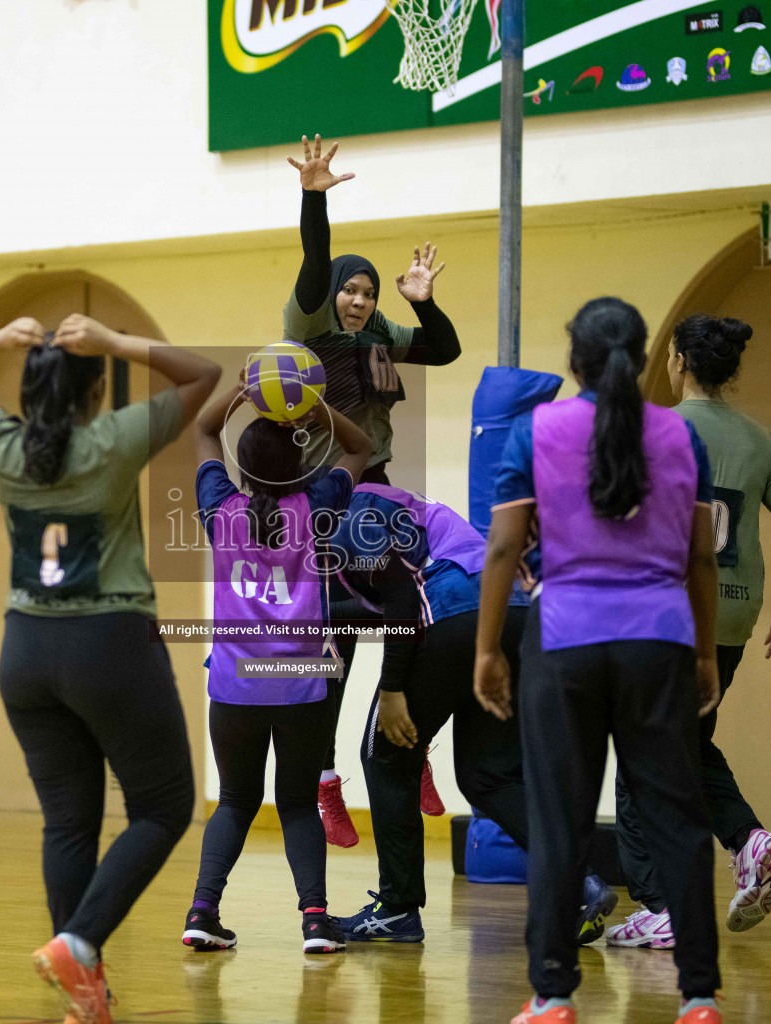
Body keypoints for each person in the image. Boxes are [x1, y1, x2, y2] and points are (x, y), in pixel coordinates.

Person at [0, 314, 220, 1024]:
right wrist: (118, 343)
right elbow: (204, 376)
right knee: (161, 808)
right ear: (95, 392)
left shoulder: (2, 445)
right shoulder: (111, 440)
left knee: (68, 824)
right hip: (109, 643)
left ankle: (84, 987)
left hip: (25, 650)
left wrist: (1, 340)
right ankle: (80, 941)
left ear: (29, 395)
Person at [474, 298, 726, 1024]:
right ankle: (700, 996)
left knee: (560, 822)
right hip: (660, 642)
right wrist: (705, 652)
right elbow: (701, 556)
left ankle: (553, 995)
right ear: (646, 357)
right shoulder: (682, 437)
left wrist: (489, 650)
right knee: (679, 819)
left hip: (564, 642)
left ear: (573, 360)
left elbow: (500, 550)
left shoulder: (534, 432)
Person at [325, 484, 618, 945]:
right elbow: (370, 609)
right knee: (489, 776)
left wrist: (393, 689)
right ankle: (583, 884)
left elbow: (402, 601)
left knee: (383, 754)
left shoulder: (351, 516)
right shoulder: (390, 504)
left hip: (457, 611)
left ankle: (398, 908)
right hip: (514, 613)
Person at [606, 314, 771, 948]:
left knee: (643, 752)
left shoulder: (653, 428)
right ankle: (748, 841)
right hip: (734, 610)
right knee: (686, 741)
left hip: (664, 608)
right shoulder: (762, 441)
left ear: (679, 362)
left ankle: (659, 905)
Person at [284, 134, 463, 844]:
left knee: (405, 617)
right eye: (350, 290)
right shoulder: (309, 320)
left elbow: (443, 349)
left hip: (378, 490)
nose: (357, 300)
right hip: (323, 493)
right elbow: (313, 263)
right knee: (336, 642)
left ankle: (405, 745)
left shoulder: (382, 330)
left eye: (367, 291)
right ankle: (327, 781)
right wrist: (313, 199)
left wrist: (424, 302)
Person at [183, 374, 373, 955]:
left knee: (236, 800)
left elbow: (204, 428)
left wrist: (245, 391)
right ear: (300, 468)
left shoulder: (220, 508)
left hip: (235, 683)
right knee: (295, 802)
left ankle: (201, 912)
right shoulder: (316, 509)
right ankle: (315, 922)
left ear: (241, 469)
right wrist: (317, 409)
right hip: (298, 684)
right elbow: (362, 447)